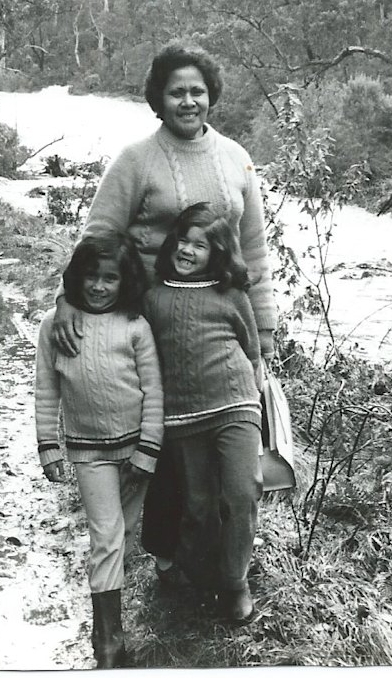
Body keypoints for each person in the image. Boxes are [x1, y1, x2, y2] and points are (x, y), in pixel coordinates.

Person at [51, 41, 277, 584]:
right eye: (176, 91)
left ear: (211, 96)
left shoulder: (236, 158)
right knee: (169, 448)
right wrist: (67, 302)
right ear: (158, 99)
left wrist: (264, 337)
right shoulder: (135, 160)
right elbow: (98, 240)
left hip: (219, 331)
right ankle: (169, 557)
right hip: (150, 324)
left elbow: (254, 252)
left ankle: (227, 563)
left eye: (197, 90)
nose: (188, 100)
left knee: (231, 454)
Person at [35, 232, 164, 669]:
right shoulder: (55, 327)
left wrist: (147, 451)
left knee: (122, 536)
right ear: (76, 277)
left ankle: (111, 621)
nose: (98, 286)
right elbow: (46, 390)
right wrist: (48, 445)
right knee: (106, 538)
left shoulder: (135, 326)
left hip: (135, 451)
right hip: (90, 454)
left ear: (125, 282)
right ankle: (107, 638)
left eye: (110, 278)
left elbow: (154, 393)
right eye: (91, 276)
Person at [142, 203, 263, 624]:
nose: (188, 251)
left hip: (237, 404)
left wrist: (259, 397)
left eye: (201, 245)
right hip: (182, 416)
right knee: (197, 505)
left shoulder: (230, 294)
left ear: (218, 253)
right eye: (183, 241)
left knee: (242, 492)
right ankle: (198, 575)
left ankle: (235, 583)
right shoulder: (153, 296)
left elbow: (252, 351)